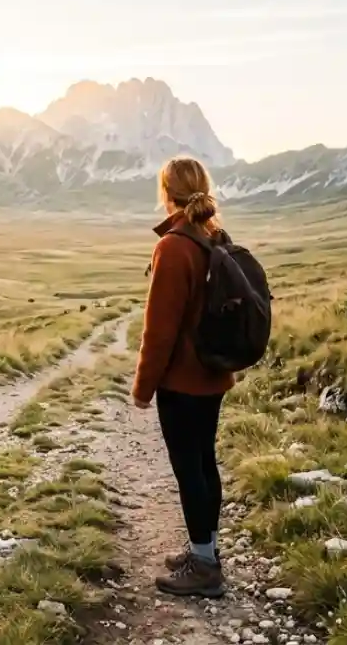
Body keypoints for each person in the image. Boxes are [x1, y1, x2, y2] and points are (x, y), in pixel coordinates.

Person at [131, 156, 235, 599]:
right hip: (212, 375)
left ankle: (204, 566)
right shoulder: (211, 235)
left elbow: (160, 330)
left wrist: (142, 387)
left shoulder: (173, 246)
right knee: (204, 463)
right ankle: (204, 549)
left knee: (189, 469)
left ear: (166, 191)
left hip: (182, 382)